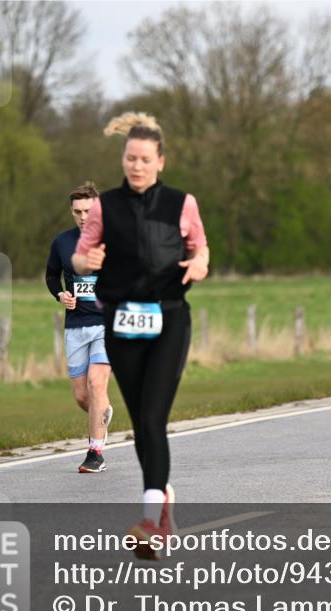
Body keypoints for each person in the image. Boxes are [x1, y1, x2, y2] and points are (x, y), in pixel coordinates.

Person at [73, 112, 209, 559]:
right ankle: (163, 499)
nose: (136, 166)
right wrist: (85, 264)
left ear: (160, 161)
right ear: (123, 159)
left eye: (145, 159)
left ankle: (151, 520)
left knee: (152, 419)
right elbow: (79, 257)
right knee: (141, 424)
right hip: (120, 322)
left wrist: (200, 264)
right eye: (130, 158)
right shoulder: (104, 207)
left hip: (169, 319)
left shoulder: (181, 204)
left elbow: (200, 247)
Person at [46, 182, 114, 473]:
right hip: (75, 327)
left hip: (107, 325)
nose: (83, 217)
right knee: (83, 397)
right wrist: (60, 294)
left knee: (96, 385)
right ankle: (103, 412)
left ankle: (95, 452)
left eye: (88, 211)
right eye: (77, 212)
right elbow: (52, 276)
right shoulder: (62, 242)